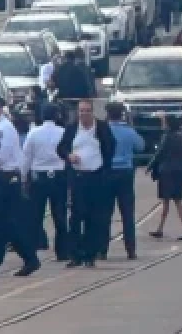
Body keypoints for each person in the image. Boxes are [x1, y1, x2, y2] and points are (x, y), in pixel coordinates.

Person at [0, 94, 40, 278]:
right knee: (2, 224)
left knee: (2, 223)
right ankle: (18, 260)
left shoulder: (3, 129)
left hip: (4, 179)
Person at [56, 100, 116, 267]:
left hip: (97, 177)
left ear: (92, 112)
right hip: (77, 177)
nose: (84, 114)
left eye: (87, 111)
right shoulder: (71, 128)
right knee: (75, 217)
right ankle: (75, 254)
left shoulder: (102, 127)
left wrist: (104, 168)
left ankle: (90, 254)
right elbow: (60, 148)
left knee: (94, 217)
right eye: (81, 111)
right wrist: (68, 156)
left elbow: (110, 147)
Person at [21, 104, 69, 263]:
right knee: (60, 215)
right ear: (57, 116)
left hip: (38, 178)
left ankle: (33, 250)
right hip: (59, 177)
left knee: (35, 216)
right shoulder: (63, 132)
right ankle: (62, 251)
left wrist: (23, 178)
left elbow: (26, 158)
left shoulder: (33, 133)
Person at [105, 102, 145, 259]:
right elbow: (140, 146)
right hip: (125, 174)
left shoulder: (103, 130)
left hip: (107, 173)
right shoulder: (129, 131)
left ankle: (102, 249)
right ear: (122, 114)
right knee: (127, 213)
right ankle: (131, 249)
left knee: (105, 212)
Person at [147, 115, 182, 240]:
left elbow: (160, 153)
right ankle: (163, 228)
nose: (162, 124)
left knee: (167, 201)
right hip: (180, 171)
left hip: (167, 172)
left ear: (168, 124)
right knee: (176, 200)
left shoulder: (166, 136)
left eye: (163, 122)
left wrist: (150, 166)